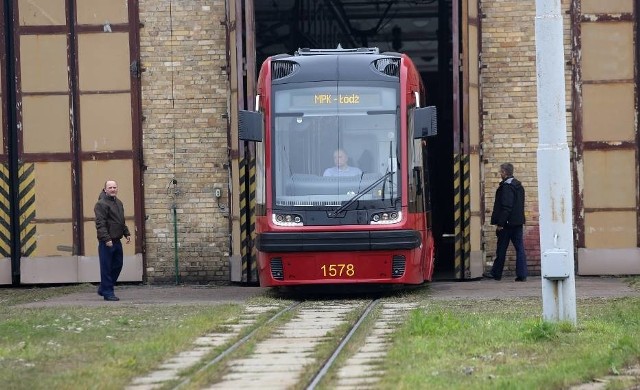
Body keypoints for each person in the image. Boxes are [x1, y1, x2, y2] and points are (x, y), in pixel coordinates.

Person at [483, 163, 528, 282]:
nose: (500, 174)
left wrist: (501, 224)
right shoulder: (519, 186)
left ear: (504, 172)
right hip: (518, 223)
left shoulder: (507, 187)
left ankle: (496, 273)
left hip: (507, 224)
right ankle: (522, 274)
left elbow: (506, 207)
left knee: (501, 248)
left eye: (501, 172)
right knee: (520, 248)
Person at [94, 180, 131, 301]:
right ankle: (108, 293)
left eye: (114, 187)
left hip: (117, 240)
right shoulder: (101, 204)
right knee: (106, 268)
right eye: (110, 187)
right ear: (105, 190)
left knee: (118, 265)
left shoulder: (118, 203)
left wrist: (126, 233)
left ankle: (104, 288)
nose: (113, 189)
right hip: (107, 242)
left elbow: (121, 220)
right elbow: (100, 224)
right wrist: (106, 238)